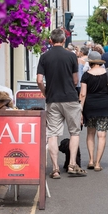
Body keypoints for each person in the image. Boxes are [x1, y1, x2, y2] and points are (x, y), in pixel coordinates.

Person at [36, 28, 87, 179]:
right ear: (64, 40)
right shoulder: (71, 56)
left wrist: (45, 92)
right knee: (74, 132)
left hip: (53, 99)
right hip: (70, 98)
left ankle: (56, 169)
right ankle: (72, 164)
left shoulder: (44, 57)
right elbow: (76, 80)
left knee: (52, 134)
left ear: (50, 41)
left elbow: (39, 80)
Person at [79, 51, 108, 172]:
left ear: (90, 62)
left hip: (90, 106)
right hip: (104, 106)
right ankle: (98, 163)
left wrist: (80, 110)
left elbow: (83, 94)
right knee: (102, 135)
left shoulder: (86, 75)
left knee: (90, 133)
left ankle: (90, 160)